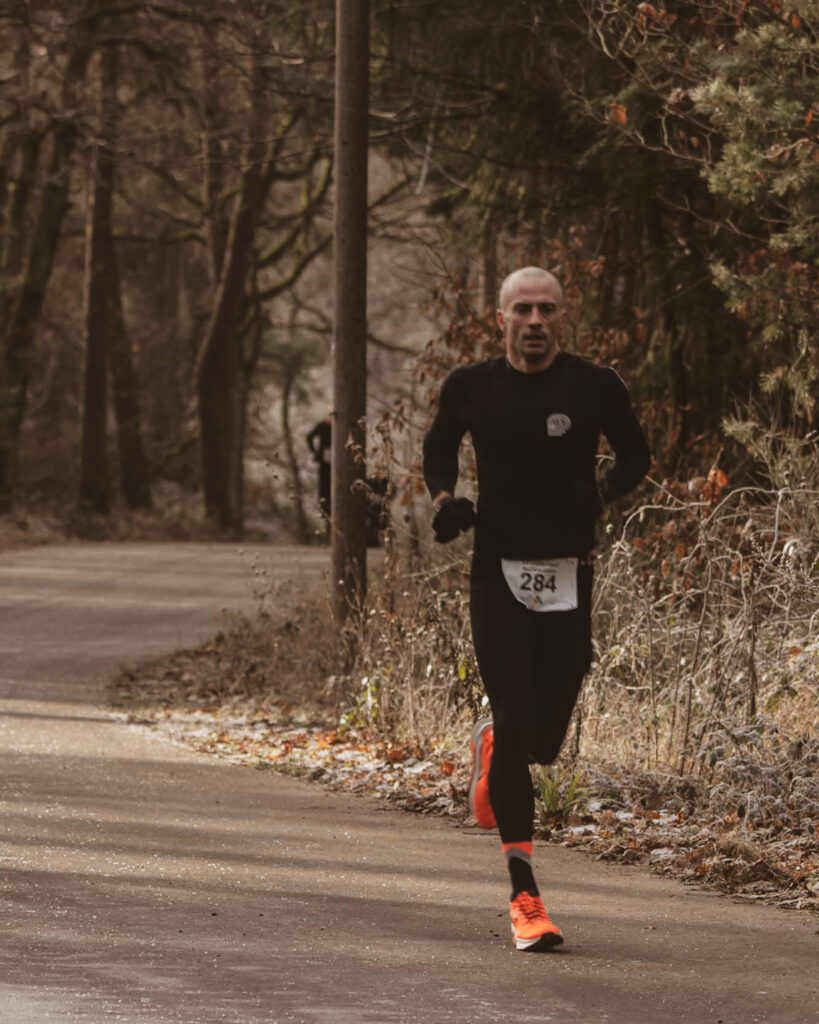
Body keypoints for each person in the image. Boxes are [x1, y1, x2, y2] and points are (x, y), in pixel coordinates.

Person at [422, 266, 650, 951]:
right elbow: (438, 447)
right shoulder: (470, 385)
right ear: (500, 319)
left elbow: (635, 456)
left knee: (543, 739)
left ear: (562, 316)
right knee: (518, 717)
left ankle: (496, 743)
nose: (534, 320)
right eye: (521, 308)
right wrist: (444, 502)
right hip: (496, 573)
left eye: (546, 308)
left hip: (567, 572)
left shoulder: (593, 384)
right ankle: (524, 897)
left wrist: (601, 492)